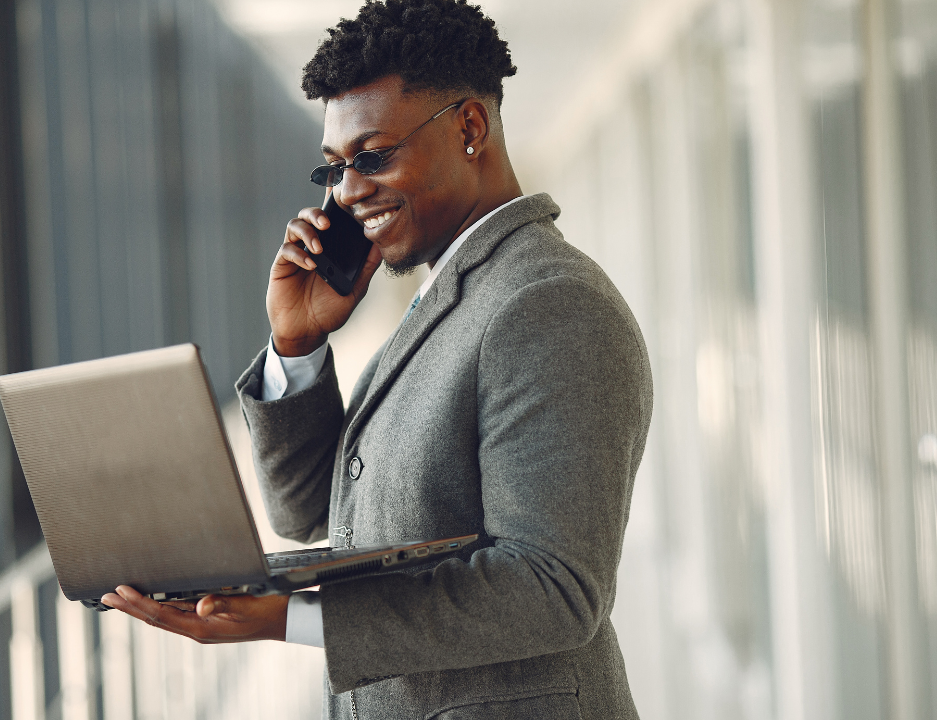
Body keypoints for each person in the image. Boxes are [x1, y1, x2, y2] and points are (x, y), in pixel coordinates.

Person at [101, 1, 652, 717]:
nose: (349, 191)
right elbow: (306, 513)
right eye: (333, 168)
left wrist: (293, 619)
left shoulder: (546, 305)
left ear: (470, 127)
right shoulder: (446, 297)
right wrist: (297, 344)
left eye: (373, 156)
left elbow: (553, 588)